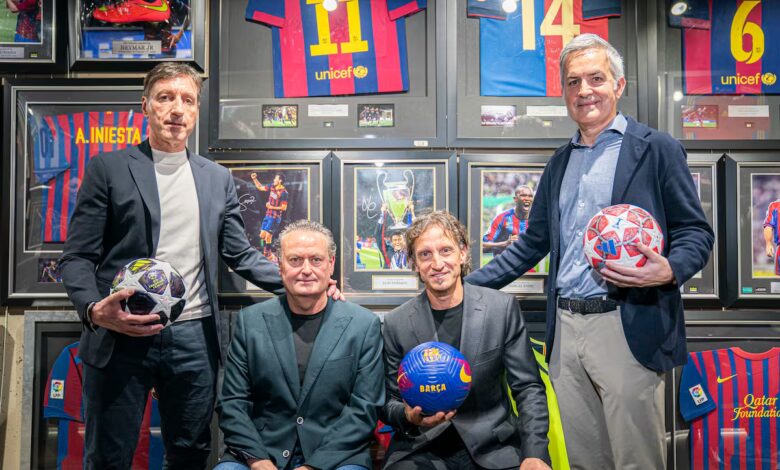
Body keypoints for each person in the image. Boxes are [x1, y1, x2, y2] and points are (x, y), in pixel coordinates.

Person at [59, 62, 340, 470]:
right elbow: (77, 257)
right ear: (145, 105)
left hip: (192, 336)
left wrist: (303, 281)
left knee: (190, 453)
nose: (177, 109)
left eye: (187, 100)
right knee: (109, 456)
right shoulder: (109, 169)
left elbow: (240, 254)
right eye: (165, 98)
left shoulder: (216, 178)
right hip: (120, 332)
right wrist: (93, 310)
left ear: (196, 110)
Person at [465, 34, 714, 469]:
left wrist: (670, 270)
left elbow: (695, 231)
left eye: (596, 78)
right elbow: (531, 244)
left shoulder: (655, 149)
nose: (585, 91)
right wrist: (462, 286)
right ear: (564, 92)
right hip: (565, 329)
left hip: (627, 323)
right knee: (583, 460)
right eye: (573, 82)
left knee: (636, 460)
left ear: (619, 85)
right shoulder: (560, 161)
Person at [381, 211, 551, 470]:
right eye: (425, 254)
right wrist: (408, 416)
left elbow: (528, 388)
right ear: (414, 264)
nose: (437, 263)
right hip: (422, 449)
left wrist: (535, 453)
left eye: (446, 250)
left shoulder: (501, 309)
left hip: (494, 447)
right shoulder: (396, 322)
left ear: (462, 254)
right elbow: (388, 401)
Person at [216, 220, 384, 470]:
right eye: (295, 260)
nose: (306, 269)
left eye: (316, 260)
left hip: (336, 457)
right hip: (261, 452)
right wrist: (258, 461)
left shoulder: (363, 325)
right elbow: (232, 403)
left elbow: (364, 410)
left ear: (331, 264)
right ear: (280, 265)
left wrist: (313, 466)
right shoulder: (250, 322)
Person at [482, 185, 535, 256]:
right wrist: (505, 243)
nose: (527, 199)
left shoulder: (535, 220)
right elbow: (483, 245)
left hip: (526, 262)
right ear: (515, 199)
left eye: (530, 196)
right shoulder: (502, 217)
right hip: (504, 262)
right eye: (523, 195)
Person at [250, 172, 289, 260]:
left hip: (275, 217)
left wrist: (271, 207)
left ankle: (267, 255)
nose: (274, 180)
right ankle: (268, 254)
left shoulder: (284, 193)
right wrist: (254, 179)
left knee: (268, 236)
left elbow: (284, 208)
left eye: (276, 178)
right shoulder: (272, 186)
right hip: (268, 215)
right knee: (262, 236)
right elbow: (260, 187)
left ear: (280, 181)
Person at [763, 198, 780, 276]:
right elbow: (768, 226)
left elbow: (768, 226)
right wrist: (768, 243)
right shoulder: (775, 206)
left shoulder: (775, 205)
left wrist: (768, 244)